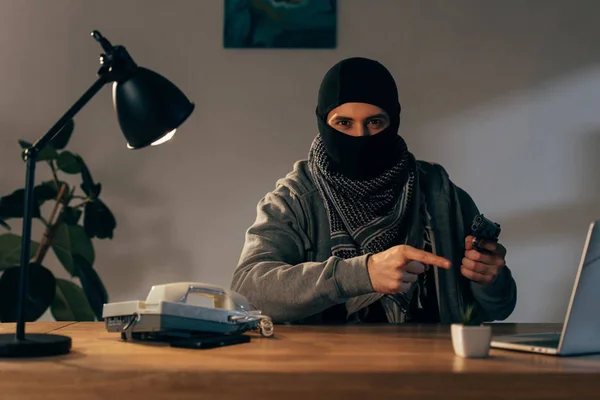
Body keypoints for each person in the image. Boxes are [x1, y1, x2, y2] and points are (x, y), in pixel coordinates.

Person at [230, 57, 517, 325]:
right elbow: (248, 292)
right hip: (324, 372)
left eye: (375, 122)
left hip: (431, 368)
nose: (361, 136)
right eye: (343, 123)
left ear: (394, 121)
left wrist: (489, 280)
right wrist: (361, 274)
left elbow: (497, 308)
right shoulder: (294, 199)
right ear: (323, 122)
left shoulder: (439, 193)